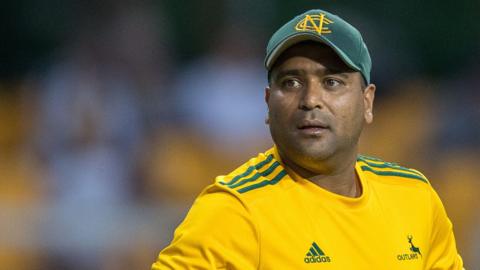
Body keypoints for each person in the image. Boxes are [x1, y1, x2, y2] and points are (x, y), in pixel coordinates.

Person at [151, 9, 463, 269]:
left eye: (332, 82)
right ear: (268, 104)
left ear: (367, 102)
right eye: (291, 81)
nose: (311, 99)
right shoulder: (236, 211)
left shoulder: (413, 196)